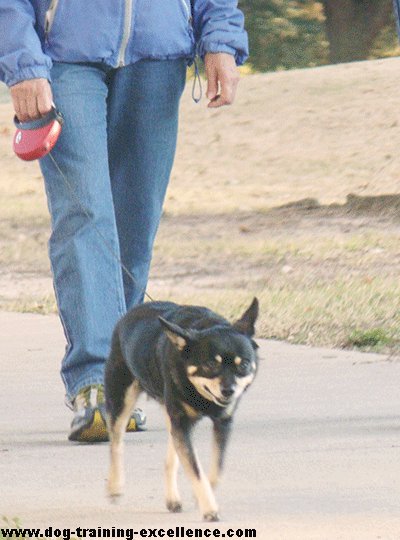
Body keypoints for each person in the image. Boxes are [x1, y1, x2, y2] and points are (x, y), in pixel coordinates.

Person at [0, 1, 248, 442]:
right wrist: (22, 62)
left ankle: (122, 374)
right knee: (85, 213)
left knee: (136, 220)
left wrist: (221, 40)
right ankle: (94, 381)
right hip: (63, 55)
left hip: (159, 52)